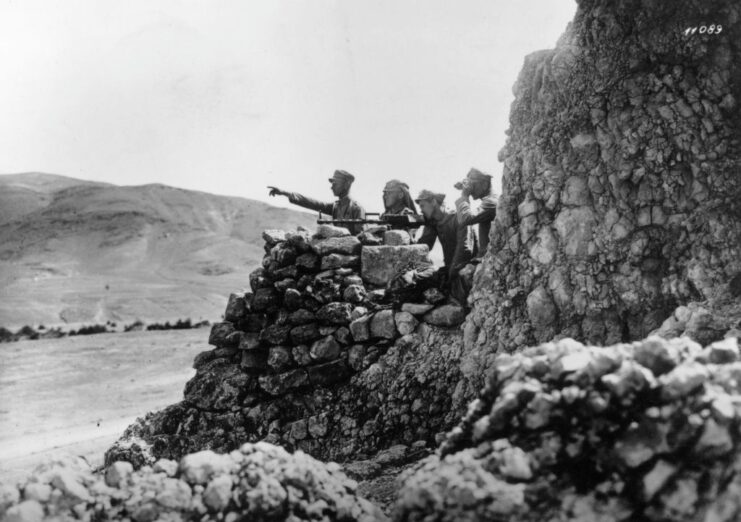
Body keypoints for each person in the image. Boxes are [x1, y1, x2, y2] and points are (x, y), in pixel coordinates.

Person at [397, 189, 472, 304]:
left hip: (465, 268)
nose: (421, 210)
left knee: (459, 296)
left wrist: (450, 273)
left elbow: (465, 249)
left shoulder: (457, 218)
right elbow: (424, 247)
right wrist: (409, 235)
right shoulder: (433, 222)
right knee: (409, 278)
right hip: (449, 269)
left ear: (433, 202)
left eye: (422, 206)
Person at [268, 170, 366, 234]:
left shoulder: (356, 209)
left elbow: (362, 237)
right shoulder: (335, 207)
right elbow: (312, 203)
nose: (331, 187)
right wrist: (285, 193)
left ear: (345, 185)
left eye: (335, 184)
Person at [455, 167, 497, 259]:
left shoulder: (491, 202)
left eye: (474, 185)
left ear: (485, 184)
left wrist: (465, 195)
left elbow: (465, 219)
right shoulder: (488, 201)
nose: (471, 189)